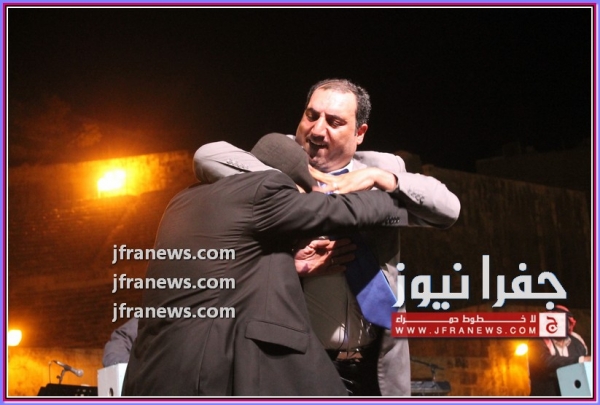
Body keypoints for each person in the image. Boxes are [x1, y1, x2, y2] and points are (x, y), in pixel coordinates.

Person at [194, 79, 460, 396]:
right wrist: (299, 182)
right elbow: (206, 157)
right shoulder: (277, 159)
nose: (318, 130)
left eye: (334, 122)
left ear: (359, 133)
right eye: (311, 116)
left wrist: (381, 178)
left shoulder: (380, 168)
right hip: (300, 364)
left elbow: (448, 210)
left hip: (375, 367)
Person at [122, 133, 412, 396]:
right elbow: (343, 210)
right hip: (202, 375)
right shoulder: (267, 188)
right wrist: (398, 197)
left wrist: (288, 266)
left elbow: (221, 273)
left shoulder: (182, 200)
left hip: (151, 373)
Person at [528, 305, 591, 396]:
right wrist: (581, 360)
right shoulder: (537, 339)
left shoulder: (578, 341)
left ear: (569, 324)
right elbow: (545, 362)